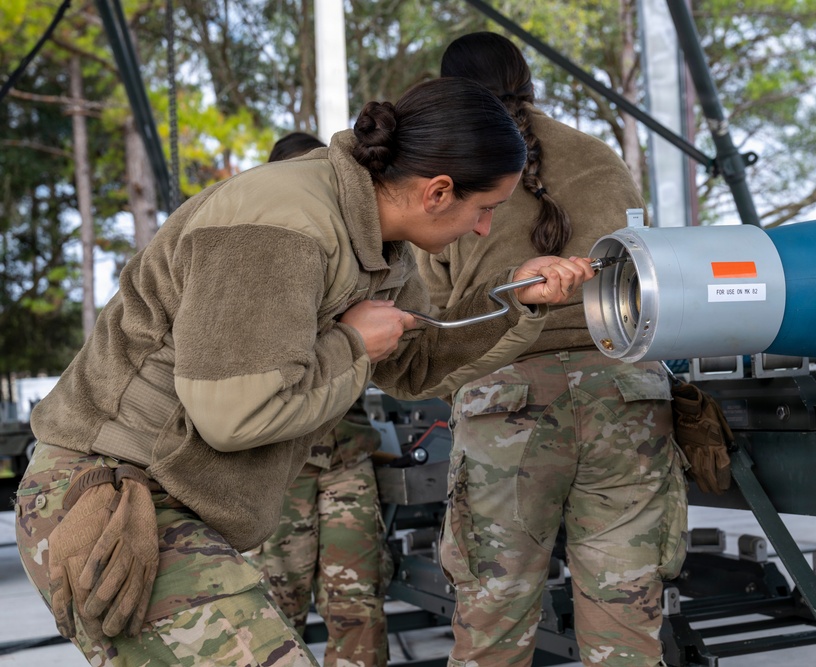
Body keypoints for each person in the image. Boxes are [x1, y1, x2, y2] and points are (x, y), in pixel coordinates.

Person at [14, 76, 596, 666]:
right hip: (107, 494)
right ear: (438, 191)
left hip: (179, 497)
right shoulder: (280, 225)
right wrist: (353, 344)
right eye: (486, 209)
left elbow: (415, 362)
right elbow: (234, 414)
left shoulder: (380, 245)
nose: (484, 230)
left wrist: (518, 298)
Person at [415, 33, 688, 667]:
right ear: (527, 80)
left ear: (452, 92)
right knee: (625, 623)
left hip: (507, 398)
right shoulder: (599, 156)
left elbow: (441, 318)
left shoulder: (448, 178)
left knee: (492, 620)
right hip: (626, 391)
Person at [250, 131, 394, 667]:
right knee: (271, 615)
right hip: (279, 468)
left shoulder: (352, 259)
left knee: (359, 609)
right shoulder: (260, 259)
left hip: (345, 461)